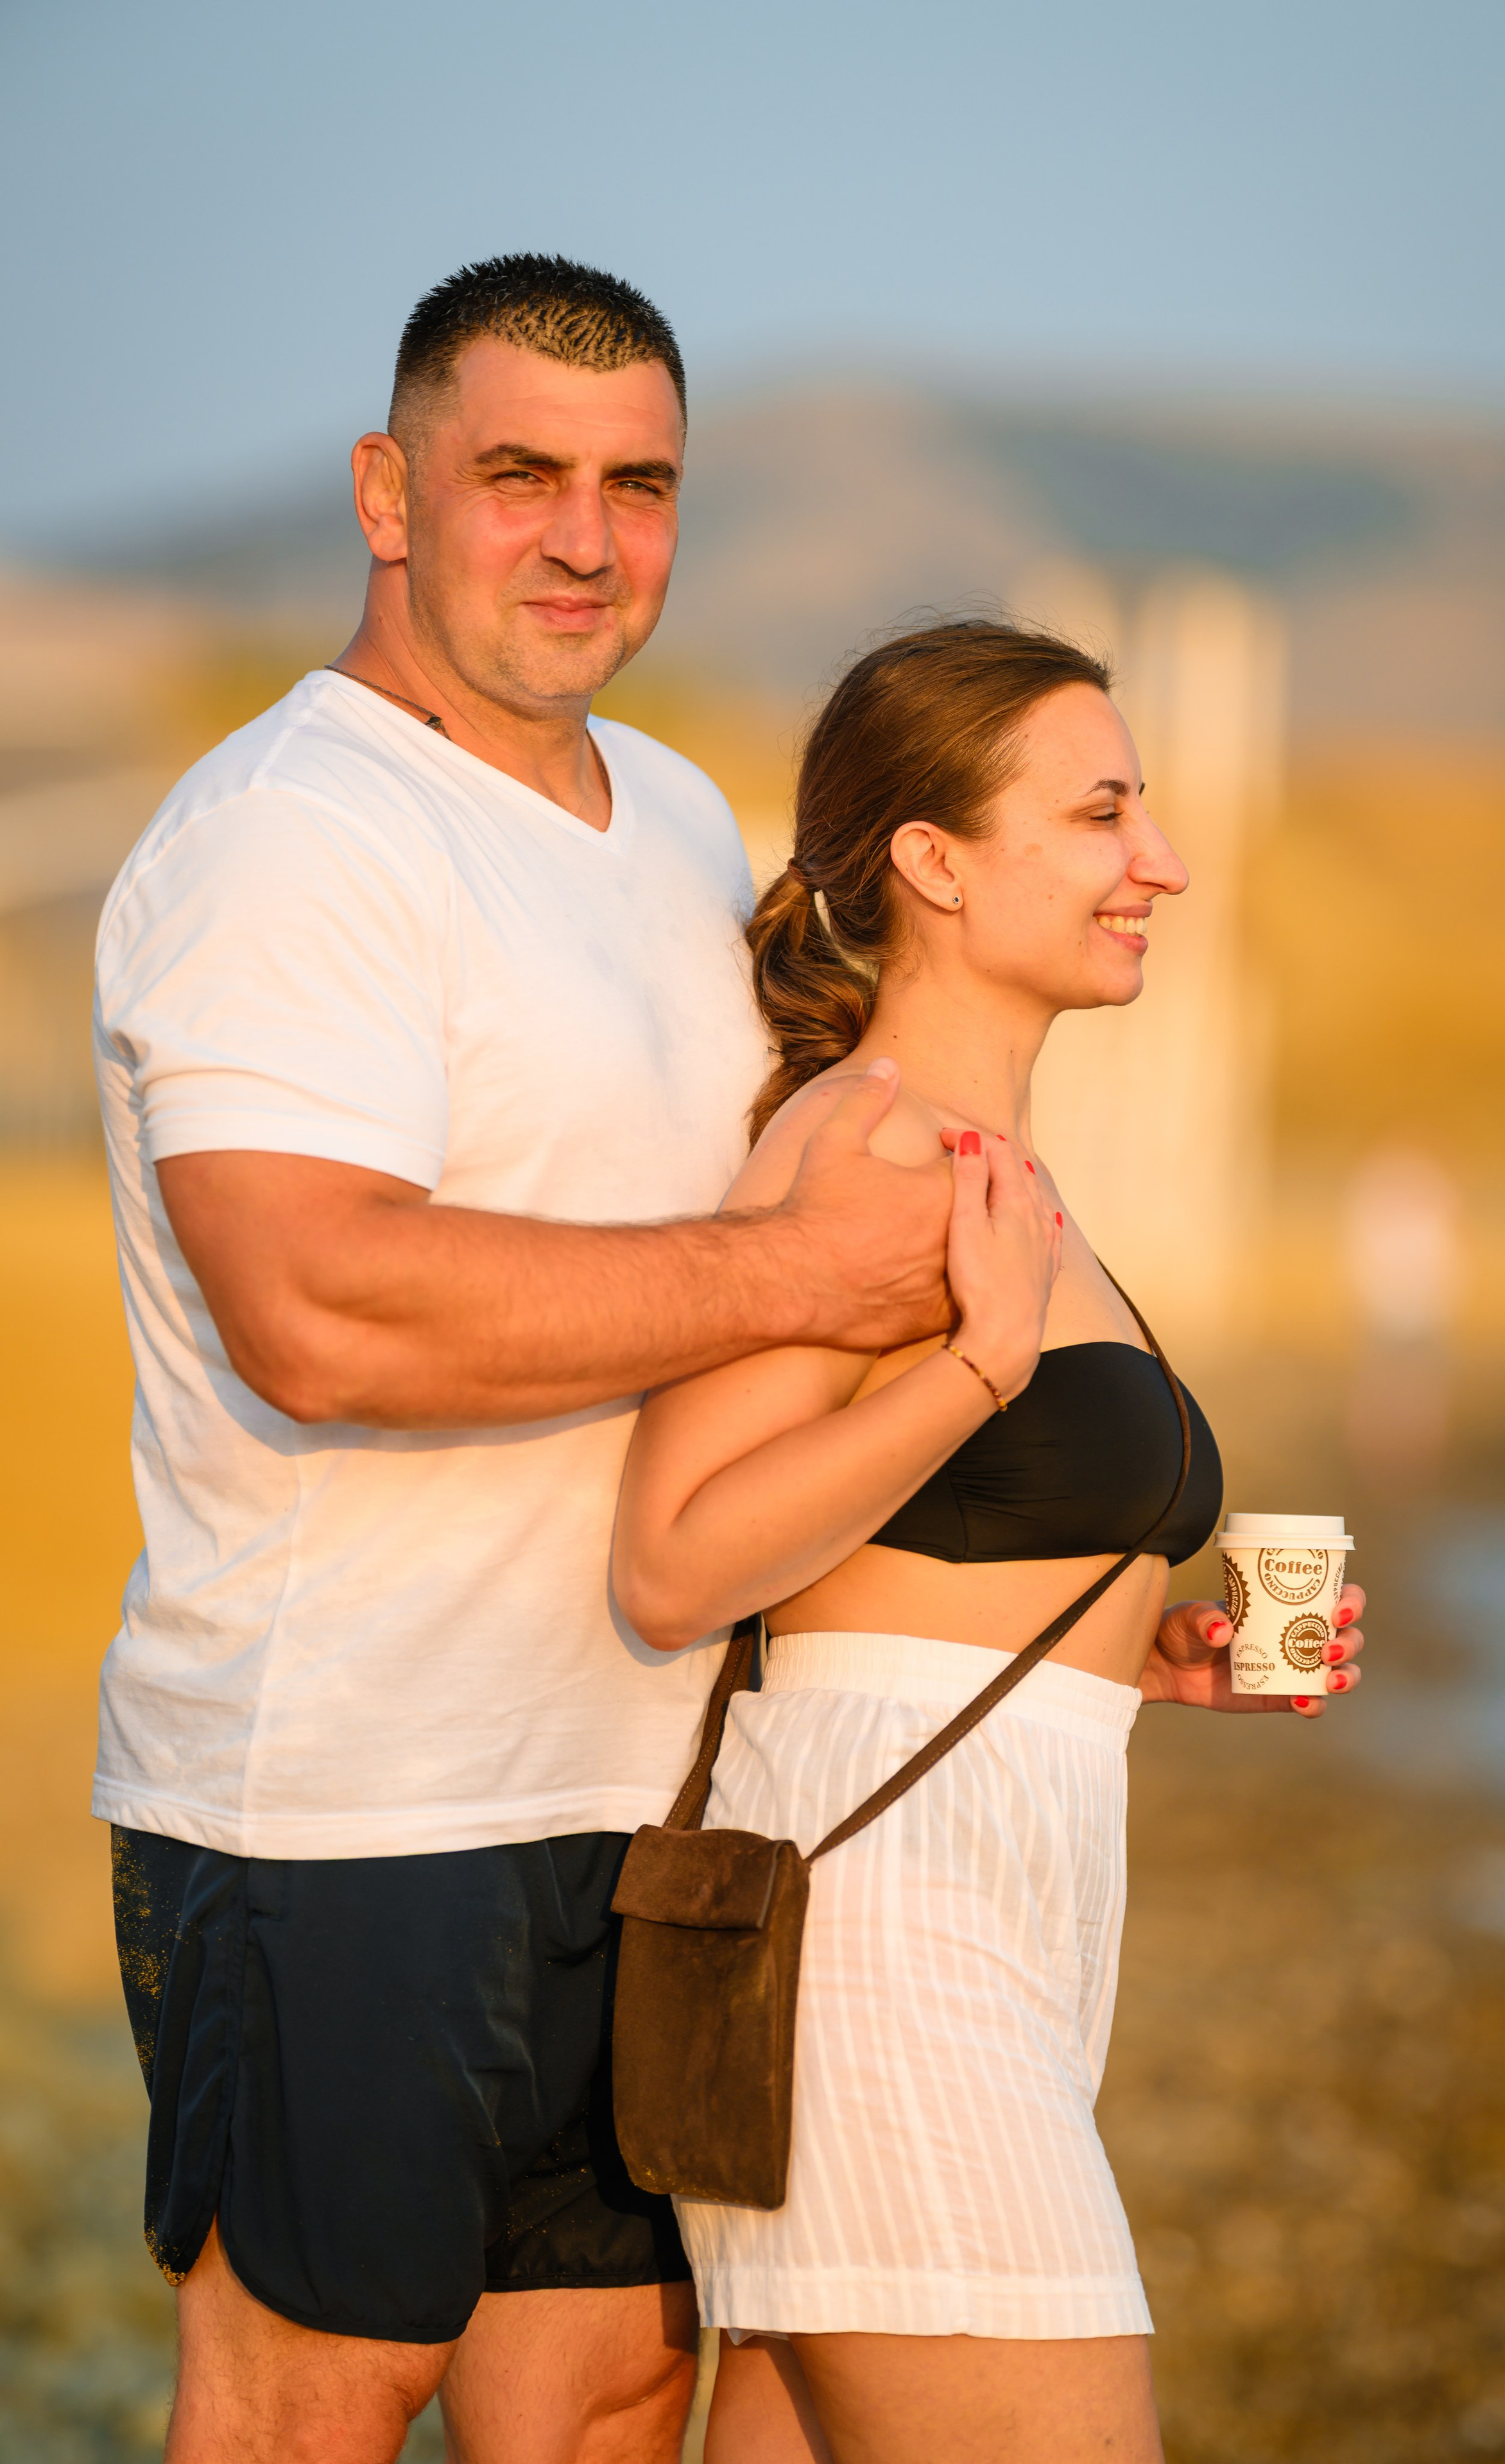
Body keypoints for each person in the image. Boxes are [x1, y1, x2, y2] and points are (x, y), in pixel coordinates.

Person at [92, 253, 959, 2464]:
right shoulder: (297, 837)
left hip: (645, 1791)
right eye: (520, 477)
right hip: (350, 1802)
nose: (586, 537)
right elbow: (324, 1308)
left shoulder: (673, 816)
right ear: (390, 492)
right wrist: (794, 1287)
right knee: (317, 2398)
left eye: (639, 484)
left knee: (595, 2405)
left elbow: (811, 1238)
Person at [612, 620, 1368, 2464]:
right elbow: (677, 1558)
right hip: (892, 1930)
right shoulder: (864, 1147)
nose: (1162, 863)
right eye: (1103, 814)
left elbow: (927, 1562)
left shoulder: (994, 1163)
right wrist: (975, 1367)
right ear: (934, 862)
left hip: (1002, 1895)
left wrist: (1151, 1649)